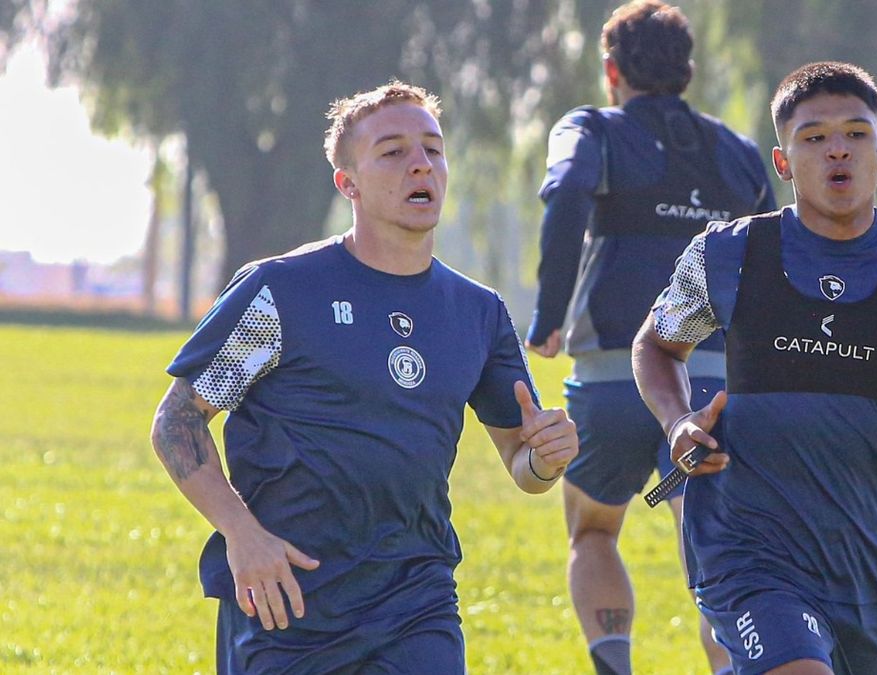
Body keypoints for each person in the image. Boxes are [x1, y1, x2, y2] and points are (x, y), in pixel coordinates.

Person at [149, 80, 579, 674]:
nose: (420, 164)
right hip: (287, 599)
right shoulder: (282, 292)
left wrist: (547, 458)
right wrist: (242, 536)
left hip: (416, 601)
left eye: (432, 148)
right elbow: (178, 419)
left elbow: (522, 464)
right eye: (393, 151)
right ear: (347, 183)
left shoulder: (478, 312)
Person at [632, 61, 877, 674]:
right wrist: (676, 422)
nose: (838, 150)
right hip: (747, 548)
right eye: (814, 138)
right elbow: (656, 346)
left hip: (868, 562)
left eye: (856, 134)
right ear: (782, 163)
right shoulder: (727, 253)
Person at [523, 2, 775, 672]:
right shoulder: (739, 151)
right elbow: (773, 251)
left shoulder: (591, 128)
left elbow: (566, 190)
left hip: (608, 380)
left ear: (611, 69)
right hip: (715, 389)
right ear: (687, 70)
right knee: (717, 553)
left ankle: (614, 662)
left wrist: (549, 314)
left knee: (594, 529)